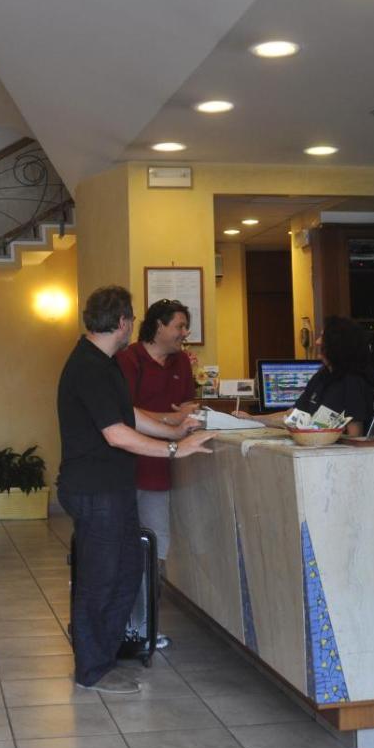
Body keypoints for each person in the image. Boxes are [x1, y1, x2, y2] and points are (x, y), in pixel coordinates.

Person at [57, 286, 216, 694]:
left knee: (129, 569)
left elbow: (126, 414)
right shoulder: (89, 366)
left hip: (112, 489)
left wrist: (172, 430)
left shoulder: (104, 361)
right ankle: (92, 670)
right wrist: (175, 449)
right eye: (131, 319)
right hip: (95, 491)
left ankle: (104, 656)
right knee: (100, 580)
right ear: (123, 322)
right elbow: (116, 434)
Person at [114, 299, 197, 649]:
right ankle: (118, 625)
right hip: (124, 468)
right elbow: (122, 413)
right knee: (119, 547)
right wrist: (169, 419)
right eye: (179, 326)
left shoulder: (182, 362)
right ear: (159, 326)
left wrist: (178, 417)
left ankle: (144, 626)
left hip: (160, 470)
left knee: (154, 548)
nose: (184, 333)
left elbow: (188, 408)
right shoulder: (128, 359)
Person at [237, 316, 374, 436]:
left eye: (323, 337)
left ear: (337, 344)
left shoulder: (353, 382)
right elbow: (292, 416)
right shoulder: (321, 377)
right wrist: (253, 419)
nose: (317, 342)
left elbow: (355, 435)